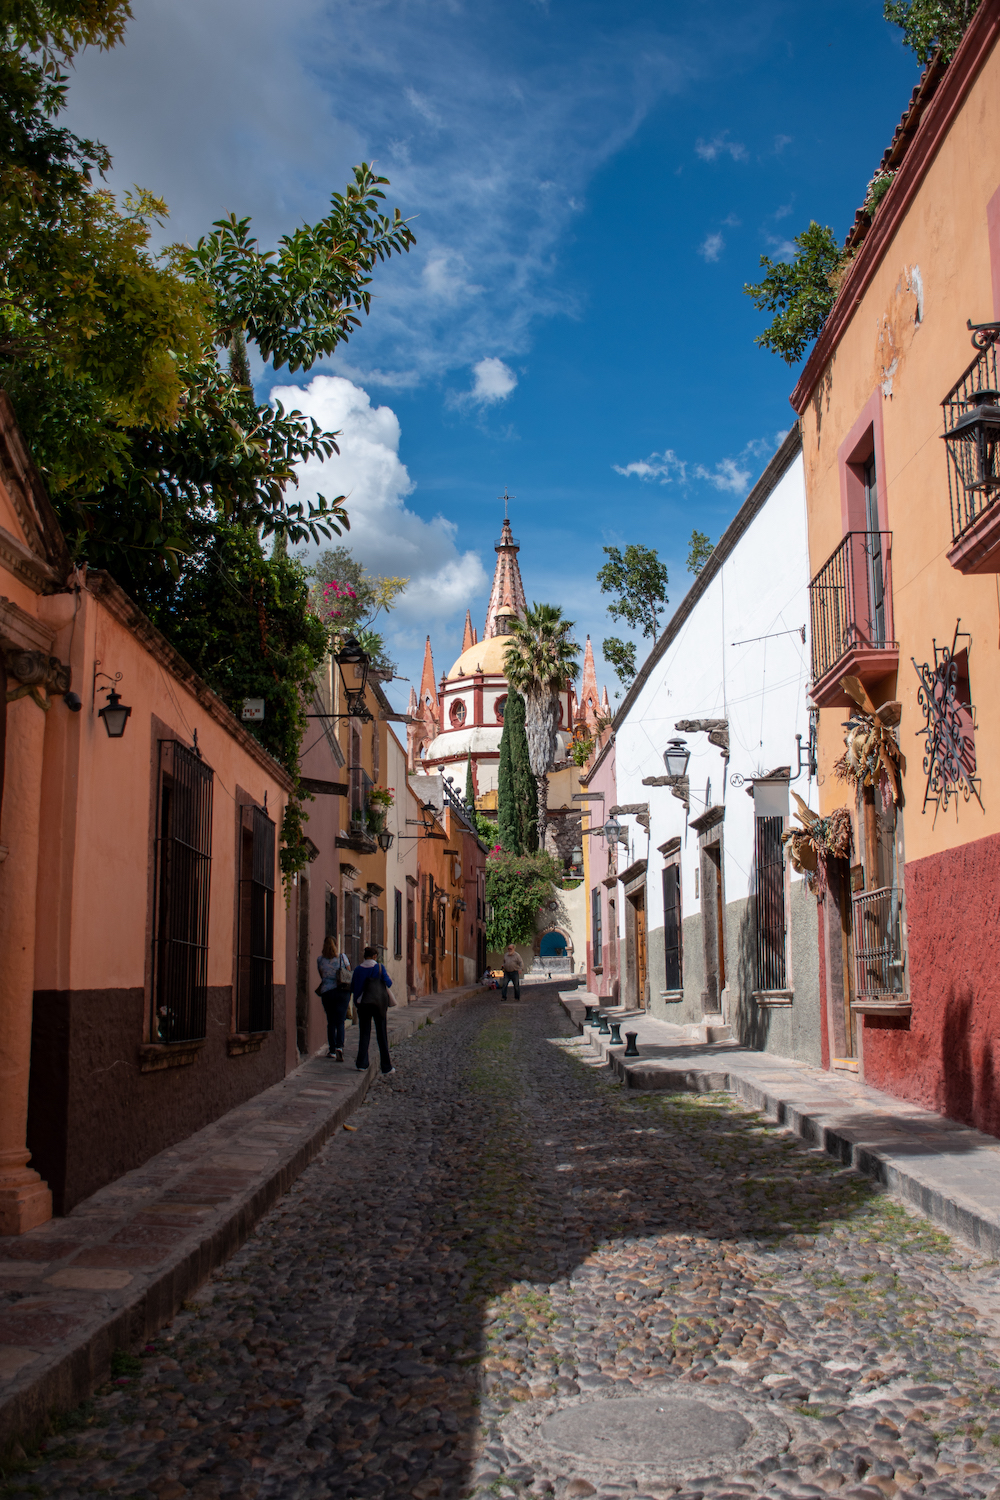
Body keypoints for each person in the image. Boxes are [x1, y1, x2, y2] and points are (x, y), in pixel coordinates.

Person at [352, 945, 395, 1075]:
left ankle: (362, 1063)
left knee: (364, 1033)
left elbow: (353, 986)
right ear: (375, 956)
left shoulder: (358, 969)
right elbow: (389, 983)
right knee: (382, 1035)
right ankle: (386, 1066)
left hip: (363, 1004)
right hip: (378, 1005)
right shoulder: (379, 968)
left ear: (364, 956)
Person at [317, 936, 352, 1060]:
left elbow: (321, 975)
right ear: (336, 944)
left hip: (327, 992)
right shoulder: (342, 957)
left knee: (331, 1021)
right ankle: (339, 1047)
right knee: (340, 1021)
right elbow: (348, 972)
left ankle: (331, 1050)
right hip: (342, 992)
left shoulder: (320, 960)